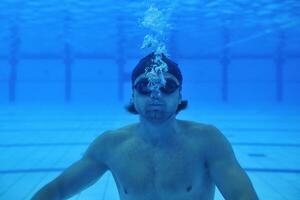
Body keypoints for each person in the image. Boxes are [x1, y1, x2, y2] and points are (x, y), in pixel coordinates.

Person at [32, 53, 258, 200]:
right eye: (145, 87)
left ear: (180, 95)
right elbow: (58, 189)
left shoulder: (207, 141)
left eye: (167, 85)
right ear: (133, 94)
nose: (156, 95)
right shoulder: (111, 145)